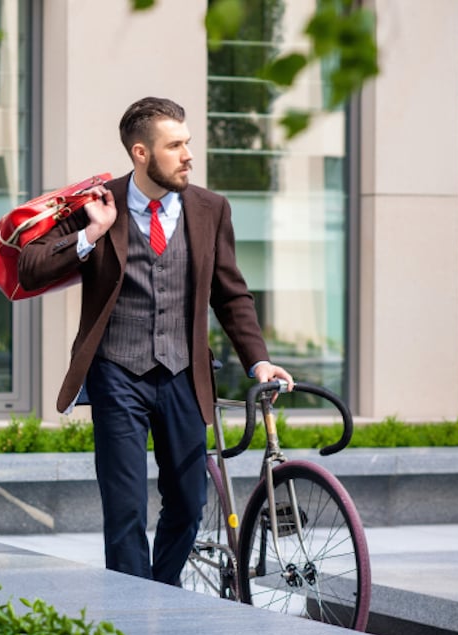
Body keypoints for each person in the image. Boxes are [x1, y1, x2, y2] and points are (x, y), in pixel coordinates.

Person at [17, 96, 293, 585]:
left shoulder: (210, 208)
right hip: (116, 372)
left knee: (189, 504)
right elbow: (31, 265)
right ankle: (132, 614)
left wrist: (259, 362)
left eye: (187, 143)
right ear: (141, 153)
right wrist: (91, 235)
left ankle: (161, 593)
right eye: (175, 145)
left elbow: (231, 294)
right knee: (124, 510)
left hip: (184, 373)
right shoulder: (97, 203)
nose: (189, 155)